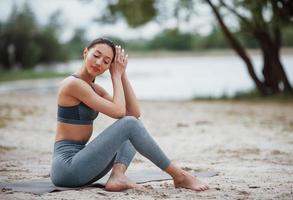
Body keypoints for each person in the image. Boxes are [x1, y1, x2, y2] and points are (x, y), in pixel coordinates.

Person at [50, 37, 209, 192]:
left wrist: (122, 73)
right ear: (85, 53)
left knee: (131, 122)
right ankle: (179, 176)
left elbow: (133, 112)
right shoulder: (72, 84)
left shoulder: (95, 89)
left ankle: (118, 175)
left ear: (110, 66)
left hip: (82, 163)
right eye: (96, 55)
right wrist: (116, 76)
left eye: (106, 61)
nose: (99, 62)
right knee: (129, 124)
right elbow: (119, 112)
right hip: (67, 168)